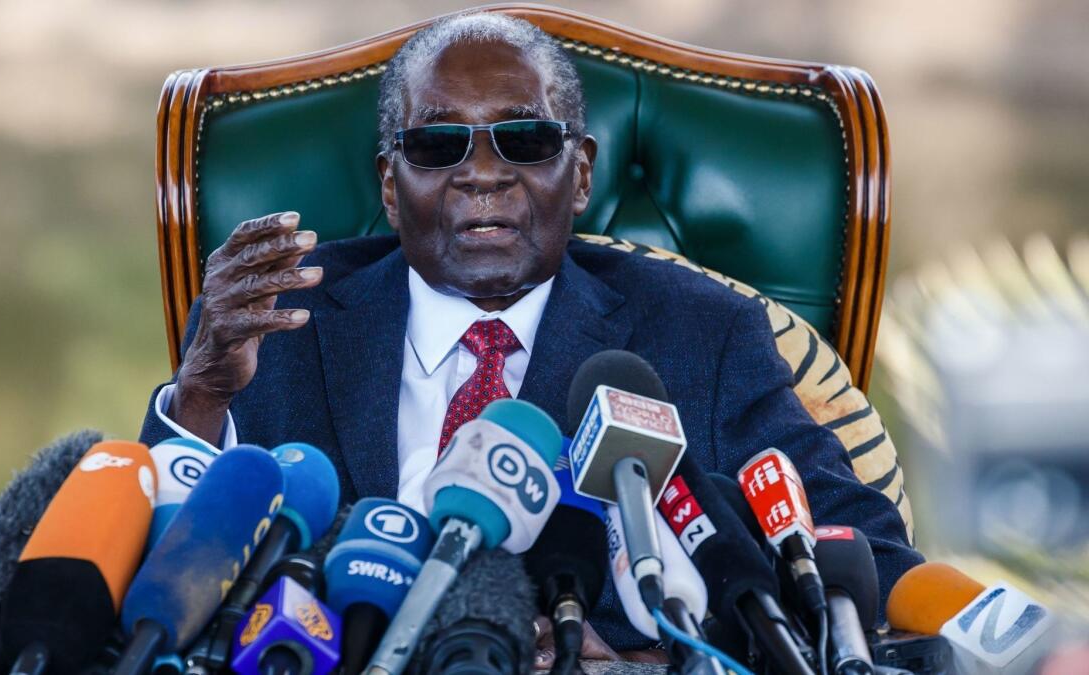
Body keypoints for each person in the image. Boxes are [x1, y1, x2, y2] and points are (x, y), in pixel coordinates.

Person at [138, 10, 922, 664]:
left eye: (526, 139)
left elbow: (864, 561)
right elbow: (145, 578)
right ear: (389, 182)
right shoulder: (279, 319)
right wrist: (200, 396)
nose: (482, 173)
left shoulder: (702, 335)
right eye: (438, 144)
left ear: (580, 173)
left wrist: (653, 658)